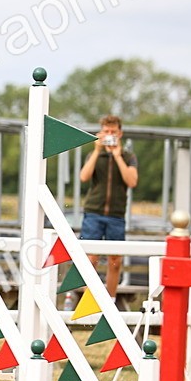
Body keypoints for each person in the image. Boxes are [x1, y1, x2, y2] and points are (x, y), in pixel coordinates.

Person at [78, 114, 138, 301]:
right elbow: (84, 177)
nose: (109, 135)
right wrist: (97, 150)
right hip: (94, 212)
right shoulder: (94, 154)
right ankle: (89, 300)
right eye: (106, 132)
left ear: (120, 133)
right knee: (90, 259)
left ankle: (110, 300)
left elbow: (132, 181)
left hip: (116, 215)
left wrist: (118, 156)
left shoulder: (128, 156)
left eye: (113, 132)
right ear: (100, 133)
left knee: (115, 261)